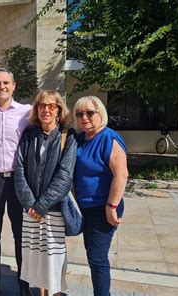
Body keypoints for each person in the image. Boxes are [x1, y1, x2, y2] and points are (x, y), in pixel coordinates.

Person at [14, 90, 77, 296]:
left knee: (53, 257)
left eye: (51, 106)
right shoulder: (29, 134)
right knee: (35, 256)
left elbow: (64, 176)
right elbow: (20, 170)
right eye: (42, 105)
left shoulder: (68, 136)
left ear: (59, 110)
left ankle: (54, 293)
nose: (46, 110)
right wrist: (30, 204)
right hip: (31, 210)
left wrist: (41, 206)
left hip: (53, 209)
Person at [0, 68, 33, 296]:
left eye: (6, 83)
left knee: (22, 235)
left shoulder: (27, 113)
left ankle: (24, 283)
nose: (2, 87)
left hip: (19, 181)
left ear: (14, 85)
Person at [72, 96, 128, 296]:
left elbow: (121, 174)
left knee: (97, 258)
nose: (84, 117)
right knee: (93, 256)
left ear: (100, 113)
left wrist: (112, 206)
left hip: (103, 207)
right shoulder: (80, 139)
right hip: (84, 207)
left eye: (89, 112)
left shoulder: (108, 137)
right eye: (80, 114)